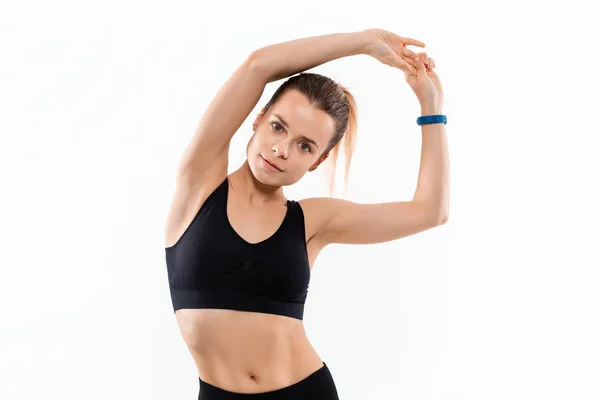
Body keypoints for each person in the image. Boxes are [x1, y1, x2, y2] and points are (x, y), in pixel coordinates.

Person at [164, 28, 449, 400]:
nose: (281, 150)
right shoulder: (198, 185)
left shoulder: (313, 221)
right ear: (259, 117)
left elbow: (430, 211)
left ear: (318, 161)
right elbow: (258, 66)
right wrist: (362, 43)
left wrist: (432, 107)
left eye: (304, 146)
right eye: (277, 127)